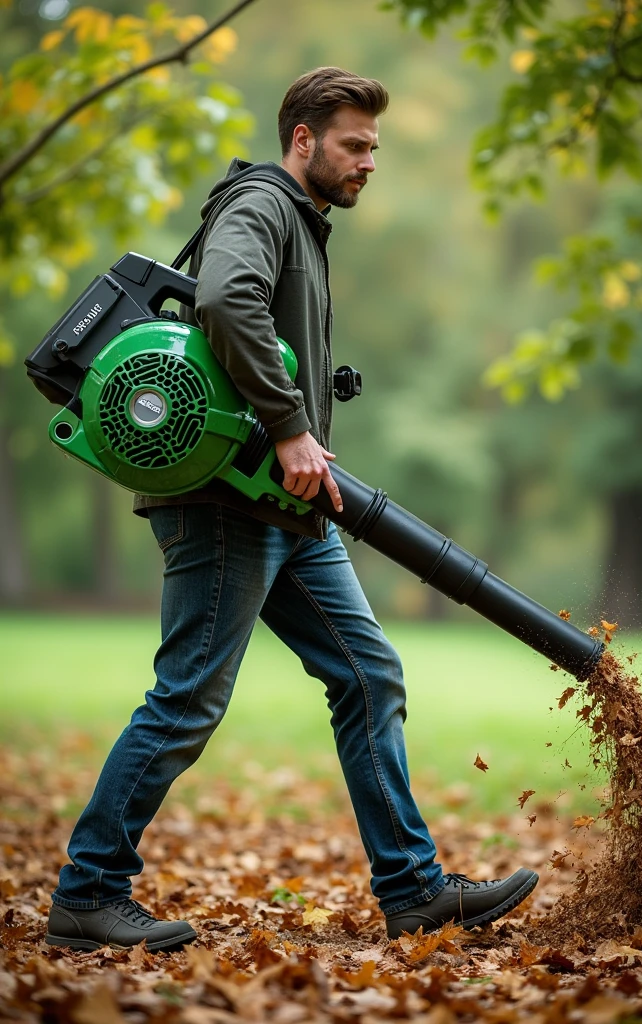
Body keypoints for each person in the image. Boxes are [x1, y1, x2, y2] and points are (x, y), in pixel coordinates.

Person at [46, 67, 538, 953]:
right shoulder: (264, 202)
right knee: (188, 696)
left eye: (374, 148)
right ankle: (87, 891)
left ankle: (415, 888)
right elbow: (224, 298)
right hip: (226, 500)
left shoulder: (302, 224)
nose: (368, 162)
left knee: (366, 674)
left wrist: (293, 440)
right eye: (355, 144)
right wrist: (289, 427)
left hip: (283, 508)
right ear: (304, 139)